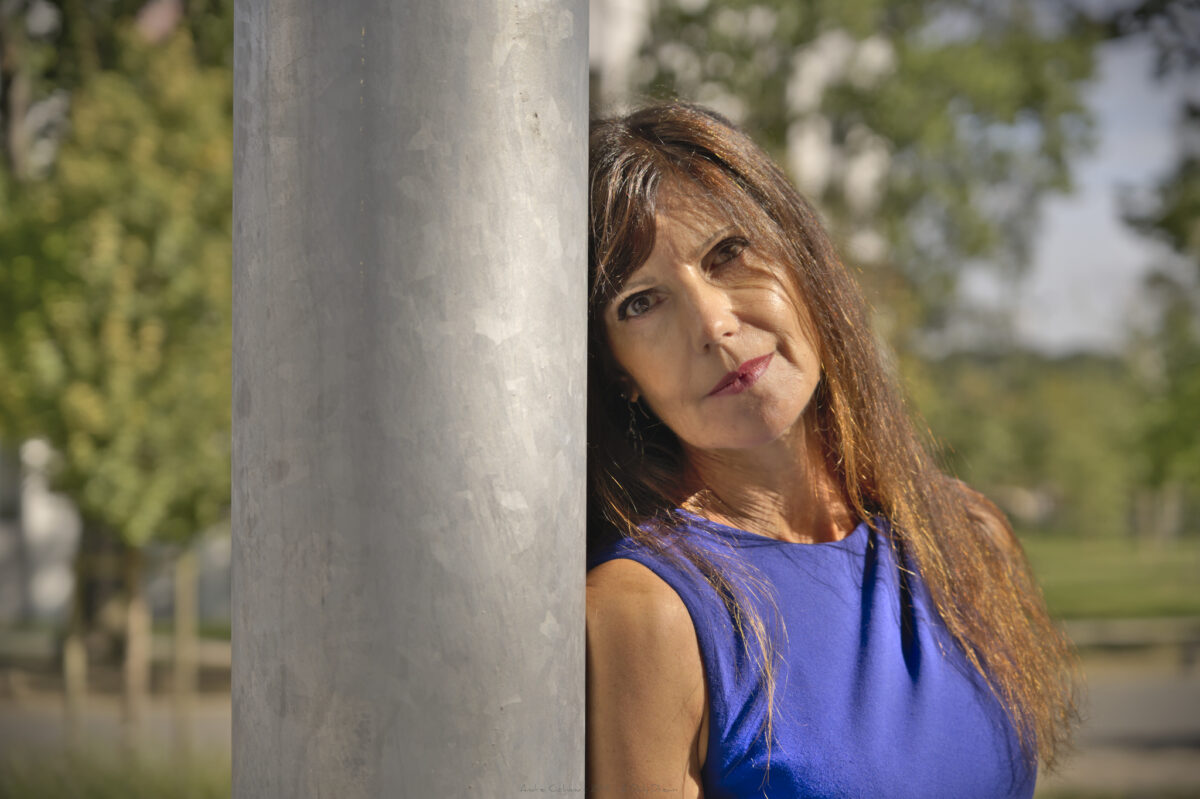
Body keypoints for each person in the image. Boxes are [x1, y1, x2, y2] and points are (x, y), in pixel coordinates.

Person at [584, 102, 1079, 799]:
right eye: (641, 302)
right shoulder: (647, 612)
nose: (714, 324)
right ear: (619, 373)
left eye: (728, 253)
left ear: (804, 262)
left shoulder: (968, 534)